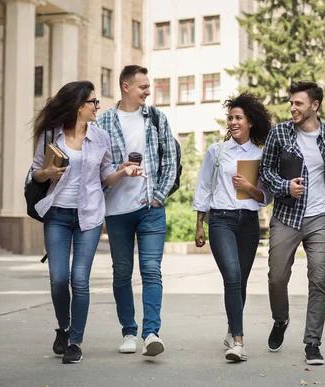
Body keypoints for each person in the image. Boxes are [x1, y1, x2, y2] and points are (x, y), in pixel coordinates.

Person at [29, 81, 145, 364]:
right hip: (56, 213)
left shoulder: (100, 137)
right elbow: (35, 174)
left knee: (79, 280)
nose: (97, 107)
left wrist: (123, 172)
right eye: (93, 102)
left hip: (89, 216)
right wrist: (49, 173)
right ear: (79, 105)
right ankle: (64, 327)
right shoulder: (50, 136)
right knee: (59, 279)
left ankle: (75, 341)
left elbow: (105, 176)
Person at [259, 81, 325, 365]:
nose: (293, 108)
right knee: (276, 277)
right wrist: (286, 186)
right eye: (291, 103)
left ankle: (312, 343)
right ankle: (281, 318)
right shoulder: (280, 133)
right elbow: (265, 169)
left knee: (319, 280)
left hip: (320, 218)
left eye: (298, 103)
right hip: (287, 216)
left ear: (315, 105)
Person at [97, 65, 177, 357]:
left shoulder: (156, 117)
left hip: (150, 209)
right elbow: (97, 166)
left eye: (148, 86)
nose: (148, 91)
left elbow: (169, 160)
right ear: (126, 86)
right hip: (117, 210)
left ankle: (151, 332)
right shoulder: (103, 120)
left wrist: (157, 197)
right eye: (143, 86)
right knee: (121, 272)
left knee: (151, 270)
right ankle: (128, 332)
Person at [193, 92, 272, 362]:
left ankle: (230, 330)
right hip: (221, 220)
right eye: (231, 118)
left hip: (249, 224)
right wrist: (199, 224)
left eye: (239, 118)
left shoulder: (261, 155)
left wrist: (249, 187)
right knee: (232, 277)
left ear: (250, 122)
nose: (234, 122)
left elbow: (265, 197)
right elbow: (204, 186)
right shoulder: (217, 151)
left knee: (241, 282)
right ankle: (238, 342)